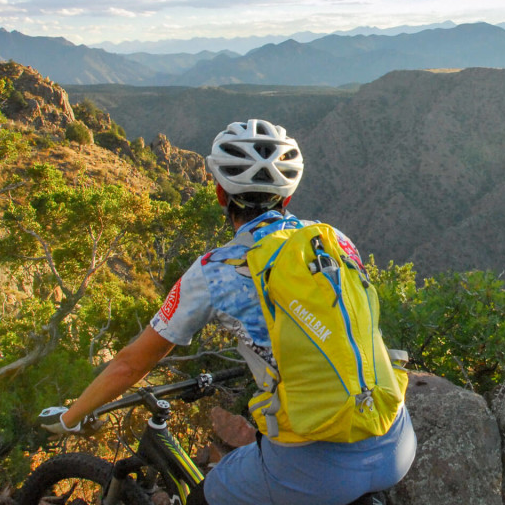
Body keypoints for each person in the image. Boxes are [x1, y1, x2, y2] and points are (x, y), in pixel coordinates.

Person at [40, 119, 417, 505]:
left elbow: (130, 364)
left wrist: (71, 417)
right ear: (286, 199)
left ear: (221, 194)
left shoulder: (215, 270)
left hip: (315, 467)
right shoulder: (333, 240)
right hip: (395, 440)